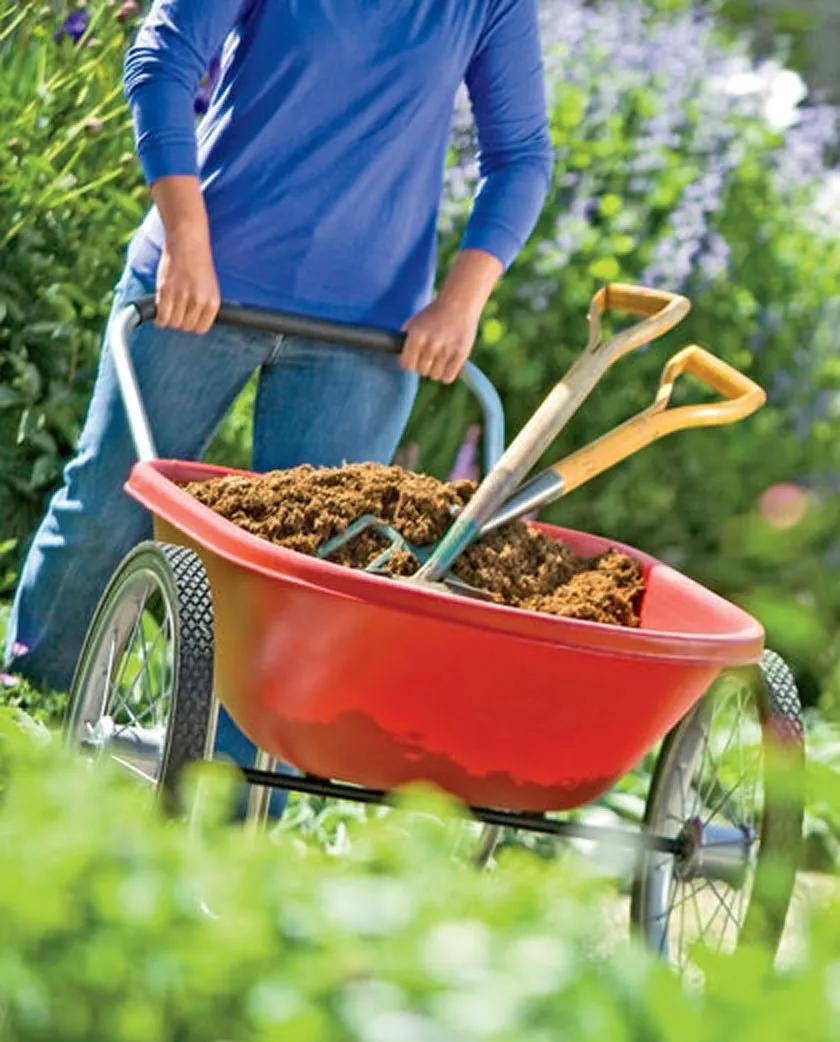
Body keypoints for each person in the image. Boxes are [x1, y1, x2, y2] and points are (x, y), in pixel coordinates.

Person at [4, 0, 554, 787]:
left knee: (306, 577)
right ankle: (26, 726)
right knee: (107, 511)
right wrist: (186, 245)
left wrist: (461, 300)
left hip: (366, 334)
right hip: (199, 291)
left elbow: (523, 154)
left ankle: (226, 813)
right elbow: (161, 62)